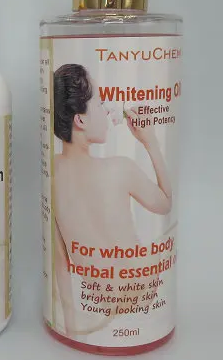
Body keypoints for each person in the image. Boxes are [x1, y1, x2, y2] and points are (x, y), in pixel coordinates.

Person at [51, 64, 173, 338]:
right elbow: (165, 204)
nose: (107, 110)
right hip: (144, 299)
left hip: (102, 304)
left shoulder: (52, 172)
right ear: (80, 120)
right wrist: (150, 142)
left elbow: (60, 259)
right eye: (100, 103)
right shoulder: (120, 168)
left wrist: (71, 327)